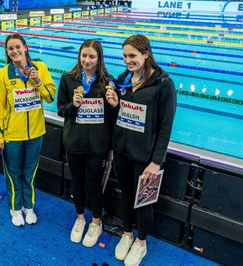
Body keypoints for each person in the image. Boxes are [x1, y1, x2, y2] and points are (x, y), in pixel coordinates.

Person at [105, 35, 176, 266]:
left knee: (143, 202)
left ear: (146, 54)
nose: (128, 60)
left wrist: (156, 161)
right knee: (125, 195)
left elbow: (166, 127)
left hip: (147, 157)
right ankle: (126, 233)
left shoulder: (163, 83)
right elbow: (120, 115)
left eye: (133, 56)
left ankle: (141, 242)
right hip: (123, 151)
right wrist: (115, 105)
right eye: (125, 56)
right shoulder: (124, 79)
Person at [0, 34, 56, 227]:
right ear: (7, 52)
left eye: (18, 47)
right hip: (12, 134)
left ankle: (29, 206)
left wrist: (37, 81)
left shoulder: (41, 68)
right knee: (13, 173)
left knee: (30, 172)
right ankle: (15, 208)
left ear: (25, 47)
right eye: (10, 49)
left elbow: (50, 96)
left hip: (36, 133)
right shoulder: (2, 75)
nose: (15, 51)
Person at [57, 40, 114, 247]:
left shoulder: (107, 82)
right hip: (74, 142)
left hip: (98, 146)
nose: (87, 60)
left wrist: (113, 104)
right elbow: (61, 110)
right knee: (77, 182)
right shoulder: (68, 79)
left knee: (94, 184)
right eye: (84, 56)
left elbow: (114, 115)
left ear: (99, 58)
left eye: (91, 57)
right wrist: (74, 104)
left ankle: (96, 221)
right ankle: (80, 217)